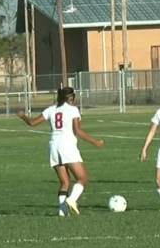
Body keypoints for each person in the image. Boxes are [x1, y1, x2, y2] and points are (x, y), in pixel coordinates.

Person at [16, 87, 104, 217]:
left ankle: (62, 210)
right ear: (71, 98)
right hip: (67, 146)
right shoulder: (73, 110)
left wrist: (23, 116)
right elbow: (79, 131)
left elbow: (33, 123)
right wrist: (95, 142)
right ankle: (72, 199)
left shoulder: (51, 109)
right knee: (82, 178)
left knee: (65, 182)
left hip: (53, 147)